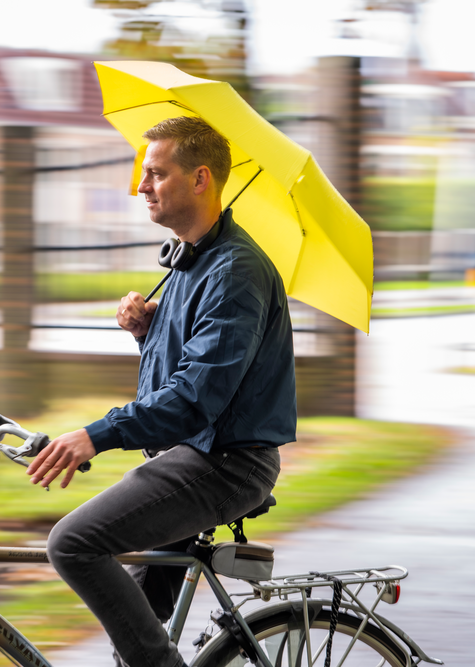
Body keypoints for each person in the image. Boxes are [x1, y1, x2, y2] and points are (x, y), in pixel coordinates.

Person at [26, 116, 297, 667]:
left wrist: (97, 436)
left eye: (155, 173)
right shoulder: (189, 262)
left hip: (223, 463)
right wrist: (148, 331)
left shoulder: (235, 272)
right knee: (134, 643)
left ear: (200, 179)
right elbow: (184, 377)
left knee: (72, 543)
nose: (141, 186)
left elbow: (197, 398)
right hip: (192, 454)